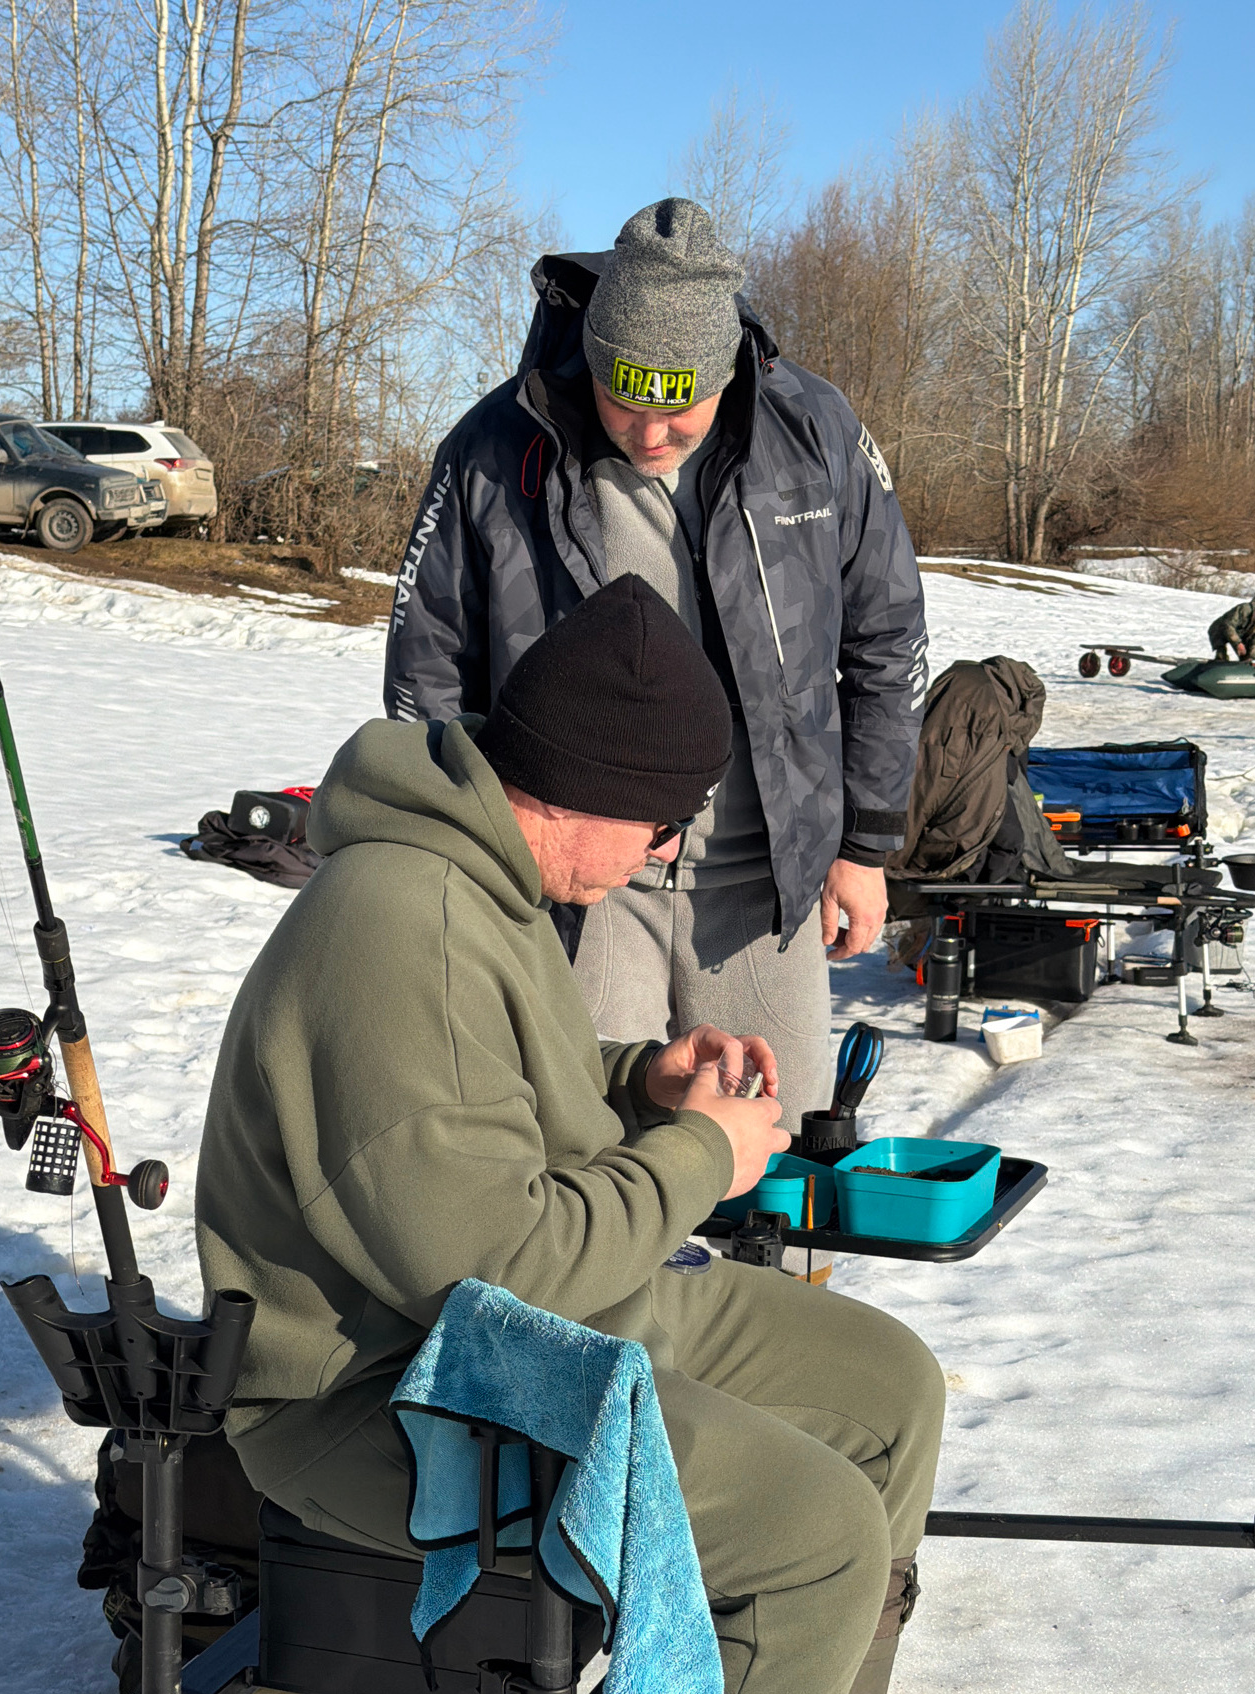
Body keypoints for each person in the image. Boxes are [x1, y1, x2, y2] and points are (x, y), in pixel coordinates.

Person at [198, 579, 1015, 1694]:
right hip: (384, 1393)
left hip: (501, 1330)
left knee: (884, 1388)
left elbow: (487, 1099)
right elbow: (495, 1266)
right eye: (663, 816)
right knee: (814, 1531)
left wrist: (639, 1081)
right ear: (580, 787)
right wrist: (699, 1157)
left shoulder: (478, 878)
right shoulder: (397, 922)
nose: (672, 846)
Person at [383, 197, 929, 1143]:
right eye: (624, 402)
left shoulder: (814, 433)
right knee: (588, 1148)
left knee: (778, 1153)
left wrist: (866, 844)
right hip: (582, 888)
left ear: (725, 372)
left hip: (762, 884)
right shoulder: (494, 449)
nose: (649, 437)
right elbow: (428, 672)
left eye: (679, 409)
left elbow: (886, 636)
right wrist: (465, 861)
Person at [1208, 592, 1255, 661]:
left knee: (1246, 656)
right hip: (1220, 629)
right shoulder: (1244, 609)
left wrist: (1252, 657)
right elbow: (1228, 625)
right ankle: (1220, 661)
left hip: (1240, 633)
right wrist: (1237, 643)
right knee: (1221, 653)